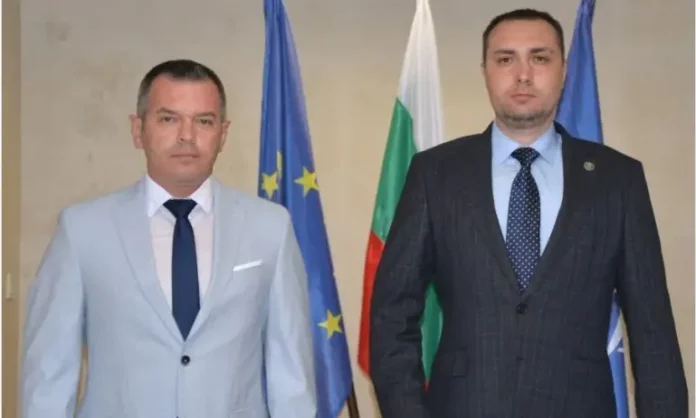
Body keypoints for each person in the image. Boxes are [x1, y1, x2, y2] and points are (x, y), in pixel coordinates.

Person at [369, 8, 687, 418]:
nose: (523, 74)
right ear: (485, 71)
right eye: (506, 59)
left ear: (563, 70)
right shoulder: (436, 174)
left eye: (539, 57)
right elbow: (392, 315)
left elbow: (652, 330)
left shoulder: (617, 180)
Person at [20, 59, 316, 418]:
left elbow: (292, 377)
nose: (187, 136)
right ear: (138, 129)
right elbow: (49, 375)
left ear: (223, 134)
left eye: (203, 121)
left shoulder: (270, 227)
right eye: (168, 119)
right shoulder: (82, 230)